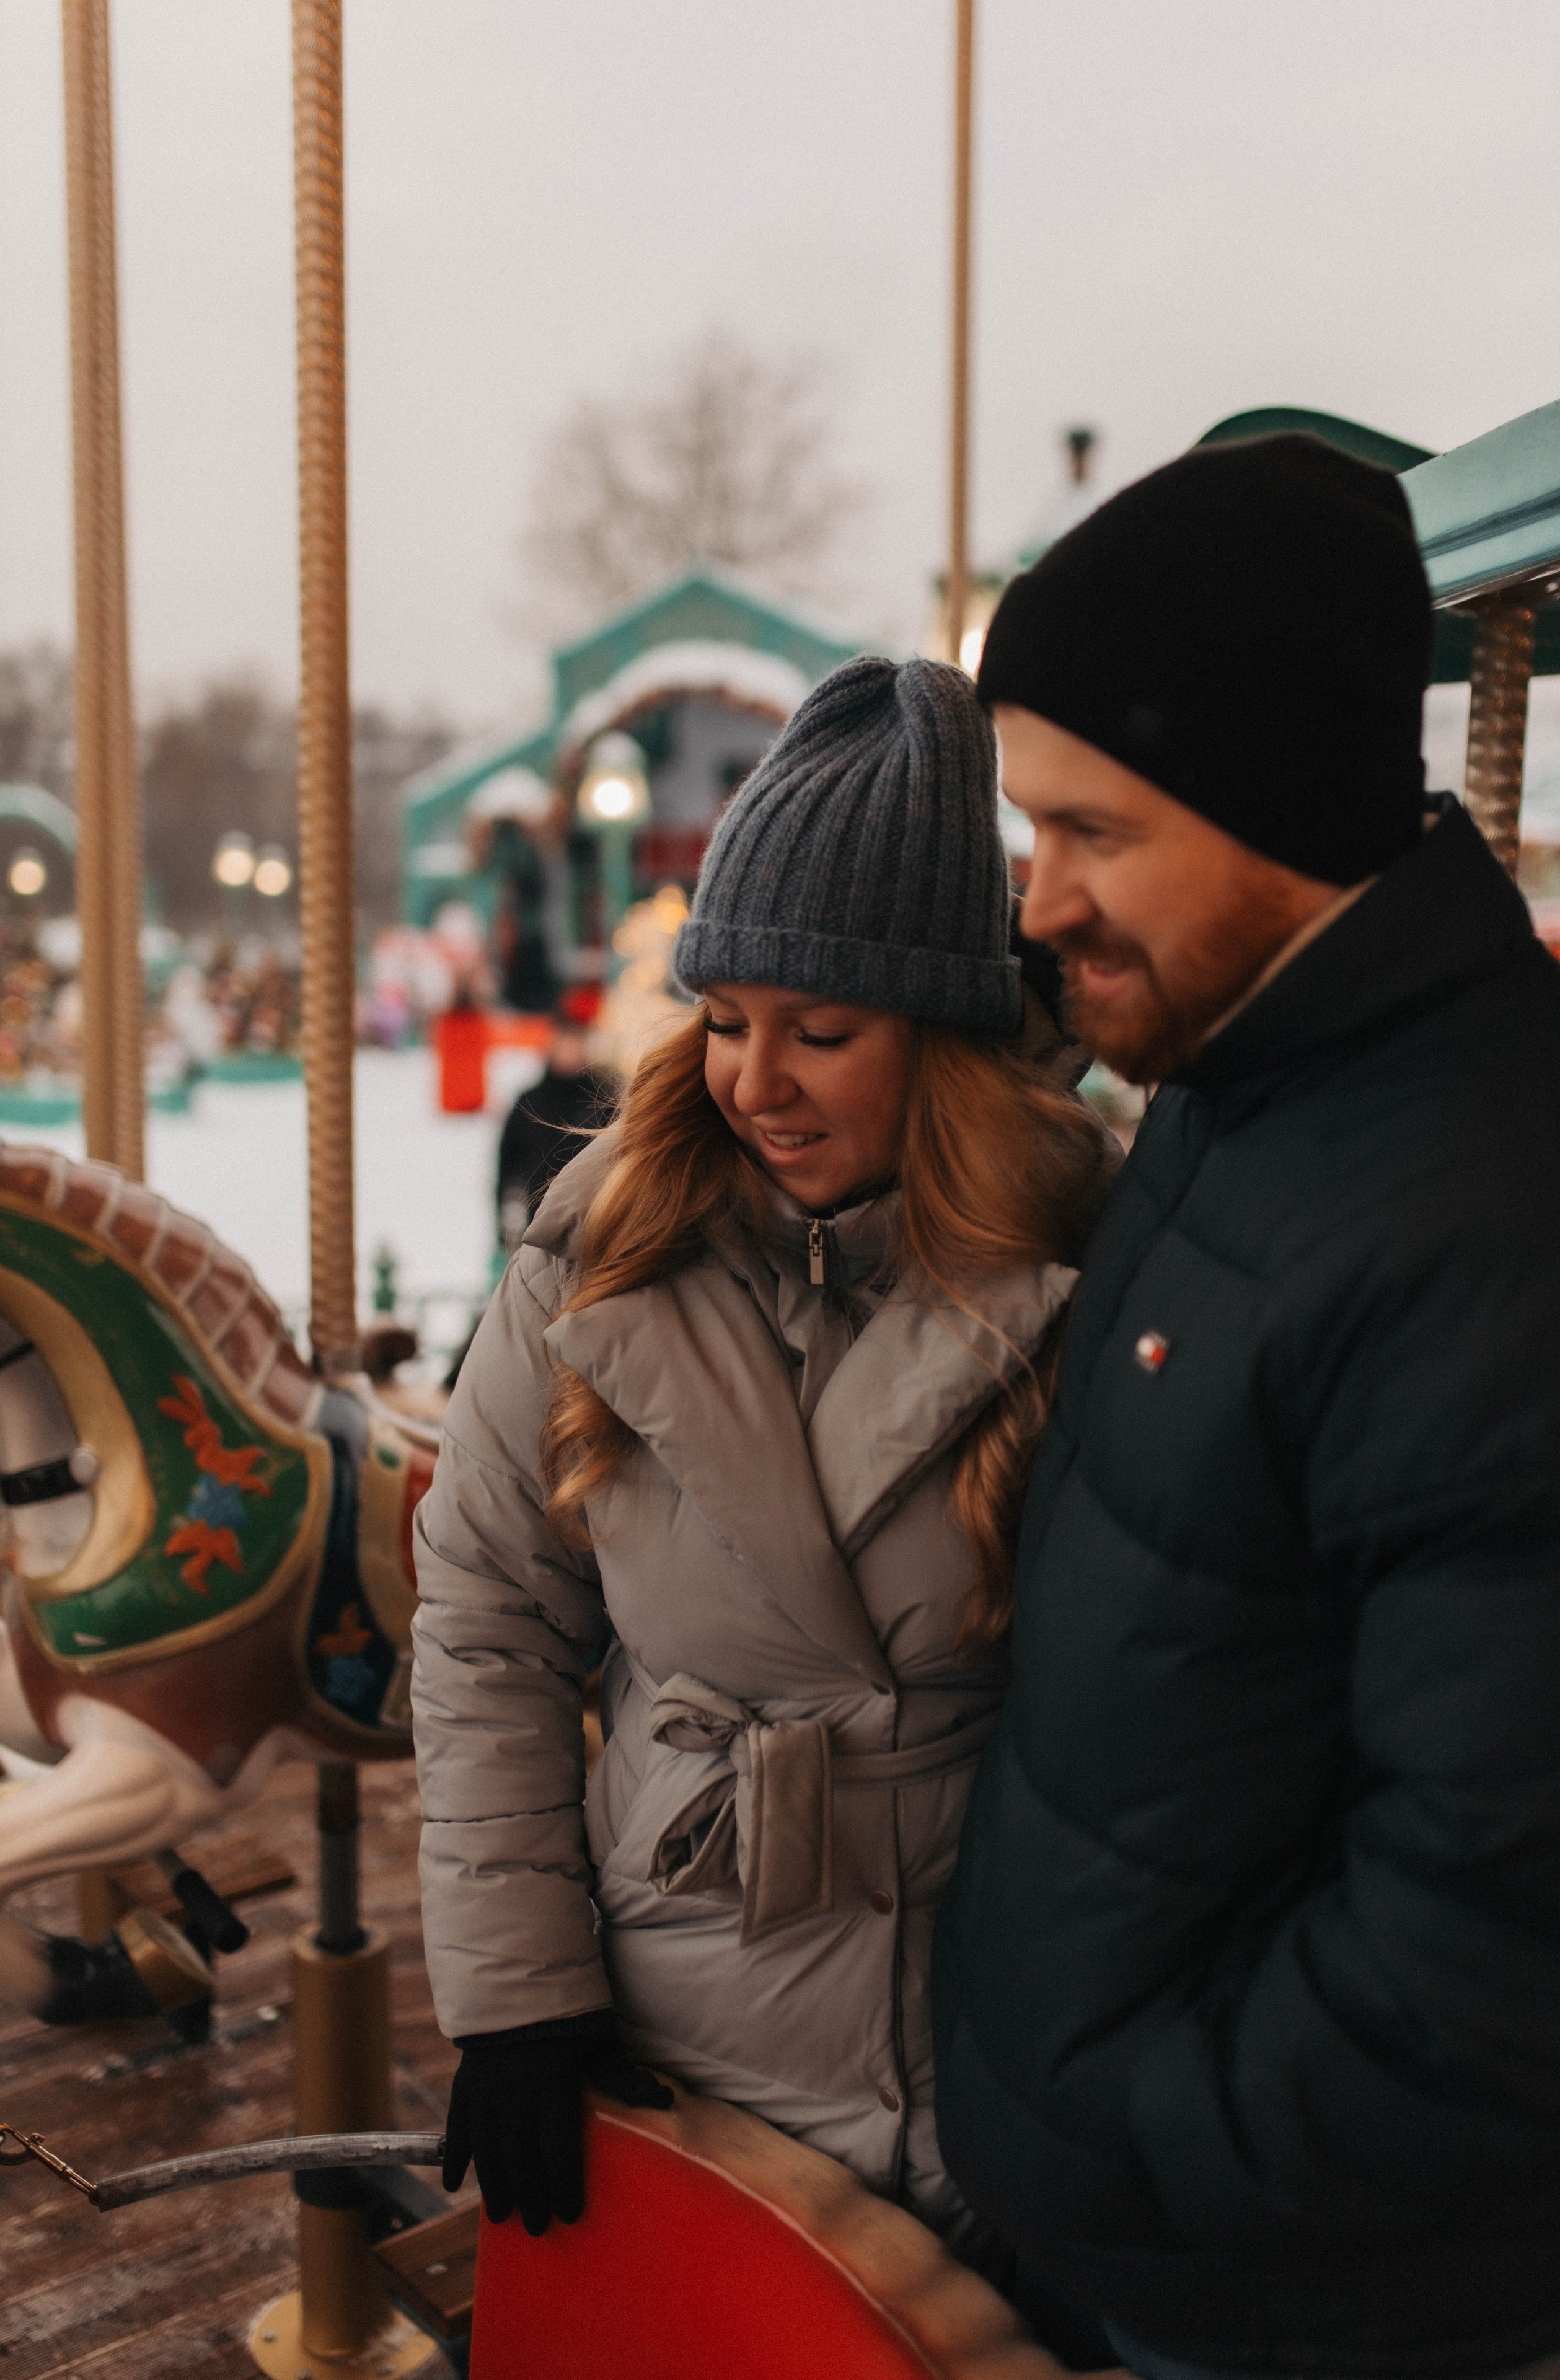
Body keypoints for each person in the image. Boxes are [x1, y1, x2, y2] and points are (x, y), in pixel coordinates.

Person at [932, 436, 1560, 2379]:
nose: (1036, 900)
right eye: (1022, 827)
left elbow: (1510, 1919)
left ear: (1276, 798)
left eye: (1090, 831)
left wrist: (1152, 2129)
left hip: (1322, 2292)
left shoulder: (1490, 1210)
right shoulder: (1242, 1076)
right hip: (1173, 2234)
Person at [410, 655, 1111, 2252]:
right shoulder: (598, 1256)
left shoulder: (1085, 1255)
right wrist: (517, 1992)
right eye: (723, 1020)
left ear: (940, 1034)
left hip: (984, 2017)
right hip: (677, 2003)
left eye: (820, 1028)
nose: (752, 1080)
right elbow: (490, 1619)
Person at [495, 1000, 612, 1248]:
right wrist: (503, 1219)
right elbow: (508, 1163)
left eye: (576, 1042)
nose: (570, 1050)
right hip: (539, 1221)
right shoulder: (530, 1101)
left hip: (593, 1222)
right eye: (564, 1042)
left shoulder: (603, 1098)